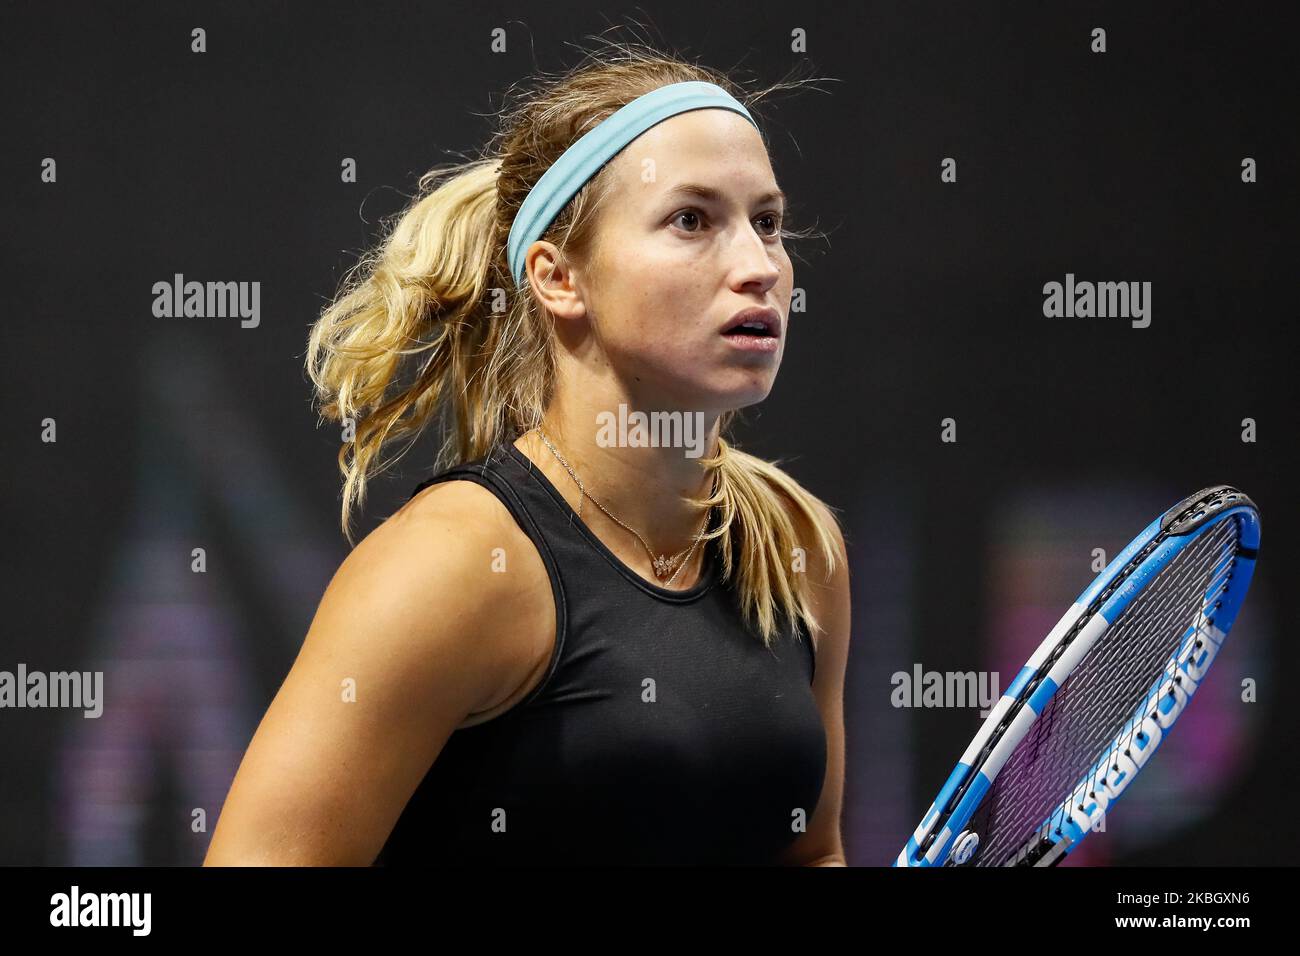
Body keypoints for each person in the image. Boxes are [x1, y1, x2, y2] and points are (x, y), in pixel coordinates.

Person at [204, 42, 851, 866]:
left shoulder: (795, 547)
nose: (760, 267)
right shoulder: (455, 565)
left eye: (767, 222)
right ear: (558, 277)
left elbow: (813, 853)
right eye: (692, 220)